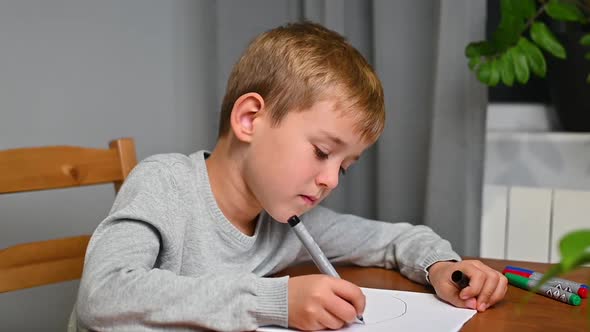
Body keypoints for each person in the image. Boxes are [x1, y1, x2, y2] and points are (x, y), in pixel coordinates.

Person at [73, 21, 507, 331]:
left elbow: (393, 240)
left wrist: (440, 266)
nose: (332, 180)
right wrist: (276, 303)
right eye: (322, 152)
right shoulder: (164, 184)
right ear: (249, 119)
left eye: (344, 166)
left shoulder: (287, 221)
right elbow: (103, 295)